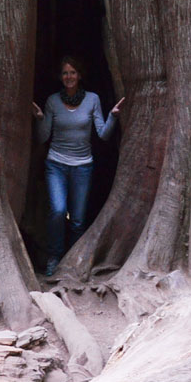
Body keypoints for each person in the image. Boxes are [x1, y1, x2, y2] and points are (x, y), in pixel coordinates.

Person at [32, 56, 124, 276]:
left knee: (78, 220)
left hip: (83, 166)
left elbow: (102, 134)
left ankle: (73, 262)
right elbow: (43, 137)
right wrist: (39, 118)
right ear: (60, 77)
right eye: (65, 73)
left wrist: (113, 116)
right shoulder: (53, 101)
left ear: (79, 75)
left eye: (72, 72)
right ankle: (55, 257)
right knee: (58, 210)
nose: (69, 77)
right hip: (56, 165)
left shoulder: (92, 99)